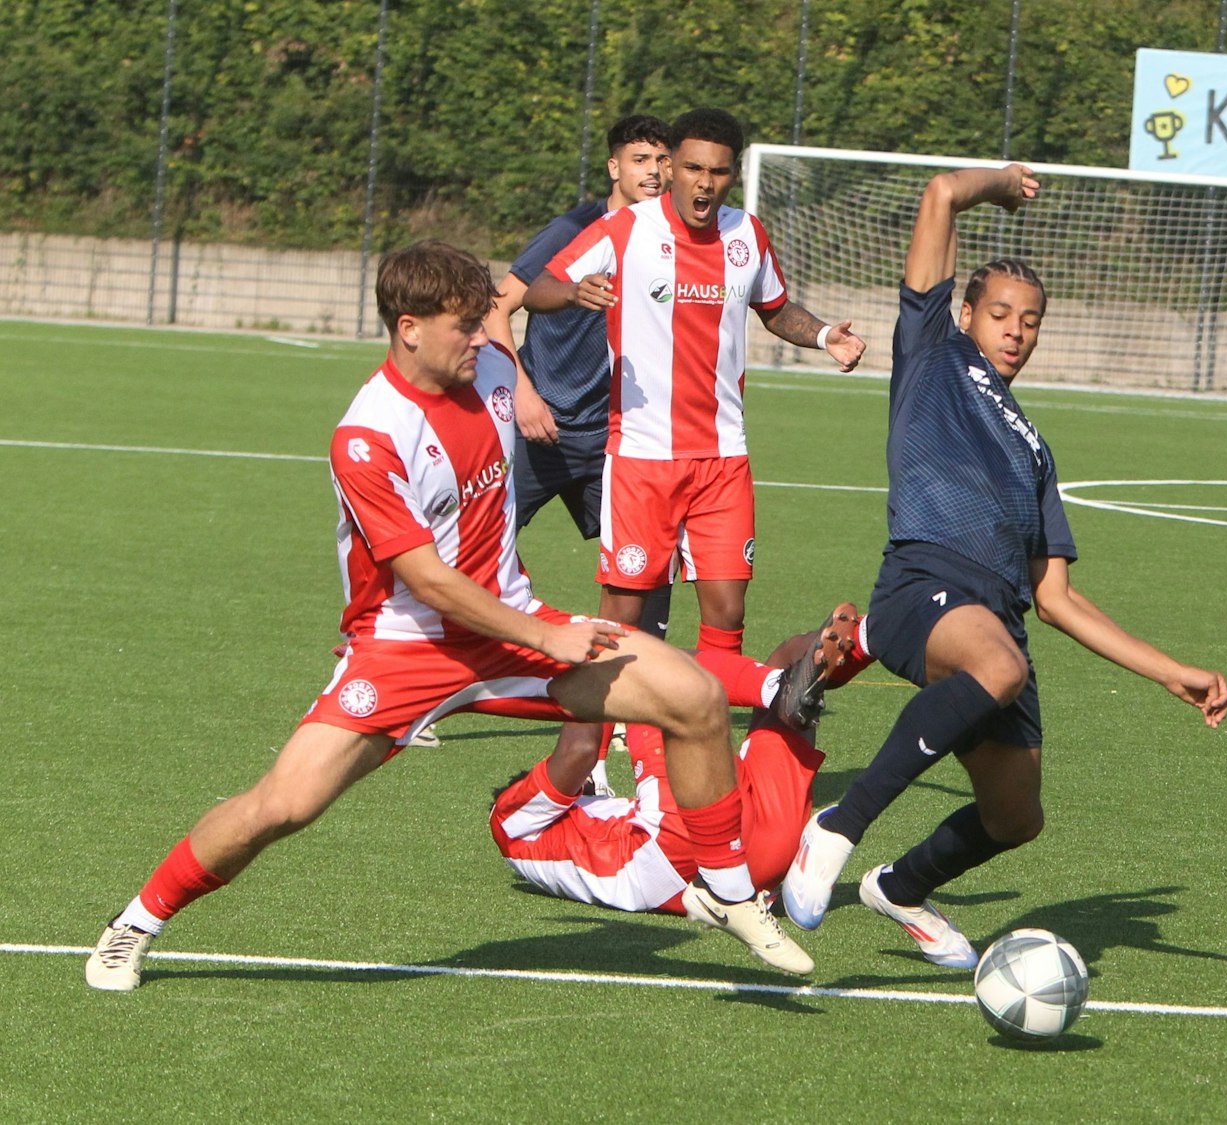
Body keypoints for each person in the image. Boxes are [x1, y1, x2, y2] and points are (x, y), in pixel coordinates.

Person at [84, 241, 813, 991]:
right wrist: (547, 635)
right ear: (408, 328)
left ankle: (728, 892)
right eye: (465, 325)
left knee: (694, 697)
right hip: (407, 650)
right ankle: (136, 921)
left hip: (512, 628)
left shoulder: (492, 369)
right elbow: (428, 581)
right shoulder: (368, 436)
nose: (482, 335)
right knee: (280, 807)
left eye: (482, 320)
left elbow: (537, 308)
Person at [779, 163, 1227, 968]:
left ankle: (901, 887)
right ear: (965, 313)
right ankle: (837, 827)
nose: (1016, 330)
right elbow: (939, 196)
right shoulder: (933, 352)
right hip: (923, 582)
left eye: (1030, 320)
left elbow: (1057, 597)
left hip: (999, 623)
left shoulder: (1035, 450)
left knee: (1016, 816)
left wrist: (1170, 671)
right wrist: (994, 187)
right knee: (997, 664)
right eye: (999, 314)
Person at [524, 106, 866, 659]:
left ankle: (713, 711)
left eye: (719, 171)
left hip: (723, 457)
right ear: (672, 168)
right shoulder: (624, 228)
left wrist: (826, 335)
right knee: (624, 612)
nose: (705, 183)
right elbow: (539, 287)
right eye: (693, 168)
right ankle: (619, 711)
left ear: (733, 175)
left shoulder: (747, 234)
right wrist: (572, 292)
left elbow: (775, 309)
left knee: (728, 612)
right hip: (643, 457)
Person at [406, 115, 672, 763]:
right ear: (614, 167)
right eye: (640, 159)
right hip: (540, 429)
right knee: (459, 558)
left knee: (647, 568)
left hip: (614, 438)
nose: (654, 172)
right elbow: (500, 305)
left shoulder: (668, 239)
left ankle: (633, 702)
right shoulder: (574, 228)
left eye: (662, 160)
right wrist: (522, 393)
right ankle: (413, 694)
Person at [492, 615, 856, 914]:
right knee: (645, 678)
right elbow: (579, 751)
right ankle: (863, 640)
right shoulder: (506, 819)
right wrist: (584, 665)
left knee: (790, 661)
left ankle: (867, 638)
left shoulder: (562, 834)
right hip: (675, 854)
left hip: (763, 861)